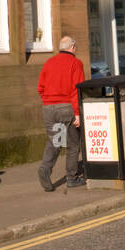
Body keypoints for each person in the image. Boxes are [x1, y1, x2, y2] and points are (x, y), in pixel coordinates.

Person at [37, 35, 85, 192]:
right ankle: (72, 178)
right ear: (72, 47)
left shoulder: (49, 63)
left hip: (49, 108)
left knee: (56, 141)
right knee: (72, 144)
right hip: (67, 108)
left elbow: (41, 88)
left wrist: (48, 102)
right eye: (75, 47)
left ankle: (45, 168)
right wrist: (77, 113)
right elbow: (76, 90)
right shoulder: (75, 63)